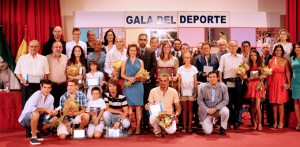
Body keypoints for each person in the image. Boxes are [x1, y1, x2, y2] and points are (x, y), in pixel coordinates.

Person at [18, 79, 58, 145]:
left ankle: (37, 131)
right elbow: (31, 108)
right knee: (35, 113)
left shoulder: (51, 97)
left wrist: (53, 112)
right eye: (45, 87)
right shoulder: (37, 94)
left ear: (51, 88)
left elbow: (49, 112)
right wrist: (45, 109)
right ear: (41, 87)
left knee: (56, 120)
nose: (47, 90)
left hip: (38, 118)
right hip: (25, 119)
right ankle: (33, 137)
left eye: (49, 88)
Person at [218, 40, 245, 129]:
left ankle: (237, 121)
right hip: (227, 81)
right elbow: (220, 69)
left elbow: (244, 69)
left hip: (238, 81)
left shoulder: (241, 57)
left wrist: (243, 75)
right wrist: (221, 81)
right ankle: (230, 120)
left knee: (238, 102)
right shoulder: (224, 57)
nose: (233, 47)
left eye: (235, 46)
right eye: (231, 46)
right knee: (228, 102)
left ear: (237, 47)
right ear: (228, 47)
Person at [15, 40, 49, 108]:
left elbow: (46, 74)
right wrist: (22, 80)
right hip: (26, 85)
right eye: (31, 46)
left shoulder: (43, 58)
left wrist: (43, 85)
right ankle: (27, 119)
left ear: (38, 47)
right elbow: (17, 73)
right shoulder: (22, 58)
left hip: (39, 86)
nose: (33, 48)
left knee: (38, 106)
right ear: (28, 47)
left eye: (35, 46)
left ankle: (37, 118)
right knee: (26, 106)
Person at [145, 73, 181, 137]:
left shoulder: (173, 91)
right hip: (158, 115)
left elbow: (178, 108)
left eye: (165, 81)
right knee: (152, 117)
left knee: (171, 131)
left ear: (168, 82)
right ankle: (157, 130)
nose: (163, 83)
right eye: (161, 80)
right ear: (158, 81)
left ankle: (164, 128)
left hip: (169, 116)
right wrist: (147, 107)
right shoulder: (153, 91)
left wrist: (174, 117)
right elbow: (149, 104)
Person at [121, 44, 144, 135]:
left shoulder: (140, 62)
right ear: (128, 51)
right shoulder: (124, 62)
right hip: (128, 86)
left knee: (138, 108)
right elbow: (122, 74)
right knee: (129, 108)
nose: (133, 52)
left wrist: (137, 78)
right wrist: (129, 78)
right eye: (131, 50)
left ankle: (138, 127)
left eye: (134, 50)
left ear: (137, 51)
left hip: (138, 86)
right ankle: (131, 127)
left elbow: (142, 74)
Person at [198, 71, 229, 135]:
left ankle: (223, 127)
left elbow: (225, 101)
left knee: (226, 111)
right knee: (207, 132)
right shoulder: (203, 87)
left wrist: (215, 108)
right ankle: (210, 122)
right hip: (206, 112)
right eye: (210, 77)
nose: (212, 79)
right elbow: (199, 100)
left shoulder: (223, 87)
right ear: (208, 79)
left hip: (217, 110)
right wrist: (207, 110)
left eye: (214, 77)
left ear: (217, 78)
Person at [137, 34, 157, 132]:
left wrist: (147, 76)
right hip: (136, 82)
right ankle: (138, 123)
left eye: (144, 40)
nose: (142, 41)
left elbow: (154, 66)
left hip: (149, 82)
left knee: (146, 103)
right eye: (141, 39)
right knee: (138, 103)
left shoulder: (151, 52)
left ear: (147, 41)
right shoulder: (134, 51)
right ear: (138, 40)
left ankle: (146, 123)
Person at [268, 44, 290, 129]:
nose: (278, 52)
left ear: (282, 51)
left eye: (280, 50)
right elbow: (268, 73)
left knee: (281, 103)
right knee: (274, 103)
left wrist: (289, 83)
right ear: (274, 51)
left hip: (282, 83)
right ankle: (275, 122)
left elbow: (287, 72)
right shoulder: (270, 61)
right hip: (273, 82)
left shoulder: (285, 61)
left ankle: (281, 122)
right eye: (277, 50)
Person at [244, 49, 267, 131]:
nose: (253, 57)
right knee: (252, 106)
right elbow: (243, 75)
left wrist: (262, 77)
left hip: (258, 85)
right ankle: (254, 123)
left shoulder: (261, 64)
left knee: (257, 106)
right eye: (251, 55)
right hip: (251, 85)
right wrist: (246, 77)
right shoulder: (247, 65)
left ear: (257, 56)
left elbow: (266, 74)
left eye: (254, 55)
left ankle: (260, 123)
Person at [177, 52, 198, 133]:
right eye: (185, 57)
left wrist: (196, 91)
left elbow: (195, 81)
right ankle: (184, 126)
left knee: (190, 109)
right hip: (183, 90)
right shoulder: (180, 69)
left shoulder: (194, 69)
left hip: (191, 90)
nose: (186, 59)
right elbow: (179, 82)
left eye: (188, 57)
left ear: (191, 58)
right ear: (183, 59)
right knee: (184, 109)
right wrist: (179, 92)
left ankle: (190, 126)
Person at [46, 41, 68, 108]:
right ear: (52, 48)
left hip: (63, 86)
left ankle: (61, 118)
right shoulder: (47, 58)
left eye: (60, 47)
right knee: (53, 105)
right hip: (52, 85)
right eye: (56, 47)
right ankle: (54, 118)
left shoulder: (65, 57)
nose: (58, 49)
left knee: (63, 105)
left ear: (62, 49)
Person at [260, 43, 273, 126]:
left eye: (267, 47)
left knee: (269, 101)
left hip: (270, 82)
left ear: (270, 48)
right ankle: (260, 120)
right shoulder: (259, 58)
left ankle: (270, 120)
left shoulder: (272, 58)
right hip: (260, 82)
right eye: (263, 47)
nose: (265, 49)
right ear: (261, 49)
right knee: (261, 102)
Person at [290, 41, 300, 130]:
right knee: (296, 102)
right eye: (295, 47)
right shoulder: (292, 58)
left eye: (298, 47)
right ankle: (299, 122)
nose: (296, 49)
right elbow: (291, 70)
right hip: (295, 81)